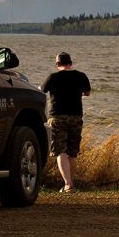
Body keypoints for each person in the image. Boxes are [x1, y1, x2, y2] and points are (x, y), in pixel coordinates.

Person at [41, 51, 92, 192]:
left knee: (60, 151)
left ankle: (68, 184)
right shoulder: (81, 76)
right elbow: (87, 93)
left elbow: (42, 90)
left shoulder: (53, 77)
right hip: (76, 117)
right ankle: (71, 183)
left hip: (57, 117)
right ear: (70, 63)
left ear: (57, 64)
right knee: (72, 151)